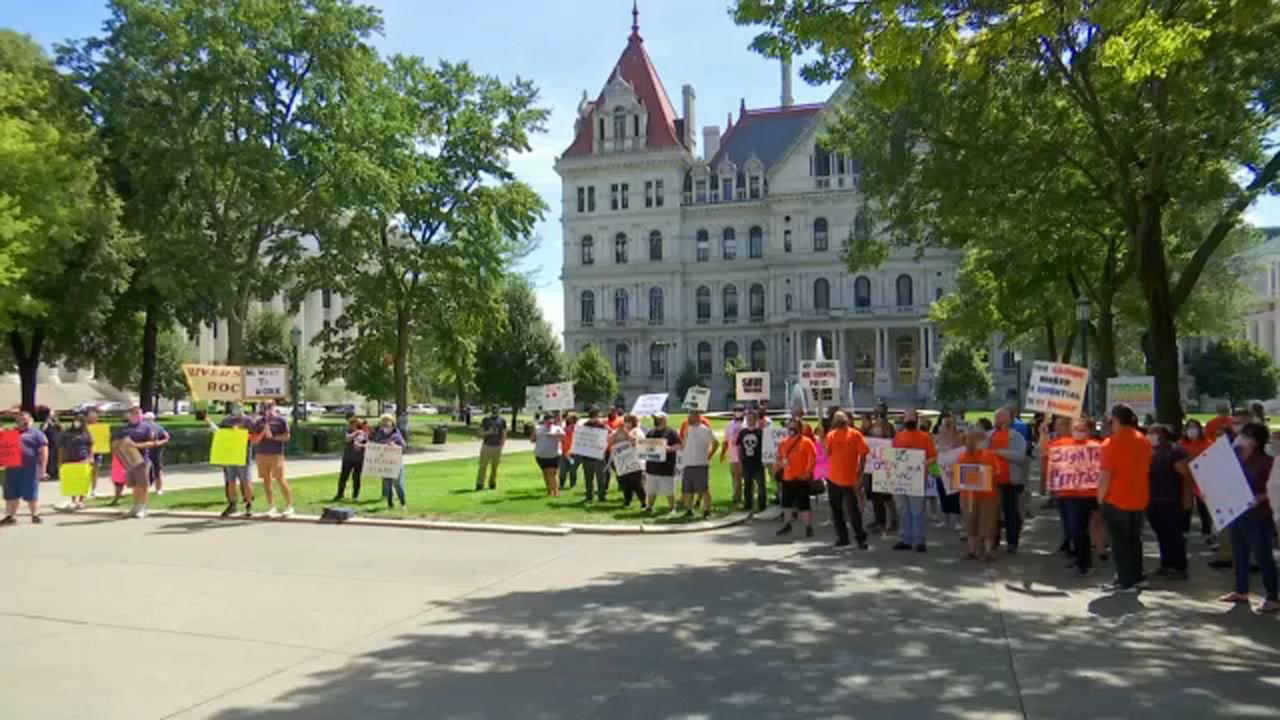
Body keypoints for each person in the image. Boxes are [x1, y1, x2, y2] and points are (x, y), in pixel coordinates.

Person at [1218, 422, 1278, 613]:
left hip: (1259, 517)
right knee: (1239, 554)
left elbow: (1274, 489)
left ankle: (1273, 597)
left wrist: (1260, 497)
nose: (1241, 438)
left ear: (1255, 441)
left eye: (1246, 436)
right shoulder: (1236, 460)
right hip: (1237, 514)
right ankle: (1241, 592)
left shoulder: (1267, 462)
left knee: (1263, 557)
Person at [1097, 404, 1153, 593]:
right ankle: (1137, 577)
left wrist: (1100, 497)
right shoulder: (1143, 440)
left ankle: (1125, 581)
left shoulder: (1111, 443)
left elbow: (1106, 474)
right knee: (1134, 539)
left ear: (1116, 420)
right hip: (1139, 497)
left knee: (1119, 541)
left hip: (1116, 498)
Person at [1050, 417, 1100, 576]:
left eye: (1082, 429)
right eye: (1076, 429)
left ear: (1088, 431)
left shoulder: (1096, 447)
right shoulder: (1061, 444)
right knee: (1072, 530)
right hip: (1065, 493)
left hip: (1085, 495)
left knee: (1078, 529)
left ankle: (1086, 564)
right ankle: (1080, 560)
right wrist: (1043, 432)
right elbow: (1046, 452)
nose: (1079, 432)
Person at [1146, 424, 1192, 580]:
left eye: (1155, 433)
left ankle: (1179, 566)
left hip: (1172, 500)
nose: (1151, 436)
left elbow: (1186, 476)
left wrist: (1187, 499)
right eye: (1149, 433)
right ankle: (1166, 563)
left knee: (1174, 534)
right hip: (1153, 499)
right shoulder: (1150, 451)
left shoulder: (1175, 451)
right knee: (1161, 534)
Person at [892, 410, 937, 552]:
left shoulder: (925, 437)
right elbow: (892, 457)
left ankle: (919, 540)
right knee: (903, 509)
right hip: (900, 479)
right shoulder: (898, 437)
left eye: (912, 418)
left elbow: (932, 457)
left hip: (917, 479)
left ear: (916, 420)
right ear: (904, 420)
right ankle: (905, 539)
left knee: (917, 510)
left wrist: (922, 463)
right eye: (908, 418)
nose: (910, 420)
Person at [824, 411, 871, 548]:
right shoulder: (831, 435)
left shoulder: (855, 434)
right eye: (837, 419)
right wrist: (822, 445)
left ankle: (860, 537)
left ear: (847, 420)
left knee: (853, 511)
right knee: (836, 510)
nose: (839, 421)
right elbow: (826, 455)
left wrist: (860, 474)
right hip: (833, 478)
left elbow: (863, 454)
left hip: (850, 479)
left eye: (841, 419)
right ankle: (842, 537)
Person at [956, 427, 1001, 560]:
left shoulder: (989, 455)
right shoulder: (963, 456)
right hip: (969, 496)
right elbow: (959, 475)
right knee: (971, 522)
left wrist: (991, 474)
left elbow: (998, 472)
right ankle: (972, 550)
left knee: (987, 523)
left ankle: (987, 551)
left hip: (988, 496)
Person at [989, 408, 1028, 553]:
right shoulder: (989, 436)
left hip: (1010, 480)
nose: (998, 421)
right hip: (991, 480)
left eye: (1001, 418)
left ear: (1009, 420)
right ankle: (993, 539)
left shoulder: (1016, 437)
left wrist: (999, 453)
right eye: (997, 418)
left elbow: (1020, 456)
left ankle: (1012, 542)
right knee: (993, 512)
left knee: (1010, 512)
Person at [2, 411, 49, 525]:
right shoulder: (11, 433)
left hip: (30, 468)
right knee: (11, 493)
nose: (22, 421)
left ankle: (35, 515)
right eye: (20, 419)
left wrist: (43, 469)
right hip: (12, 468)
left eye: (25, 419)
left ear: (30, 421)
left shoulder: (37, 434)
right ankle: (11, 516)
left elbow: (44, 451)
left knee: (31, 492)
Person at [113, 406, 159, 519]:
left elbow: (153, 442)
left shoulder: (147, 427)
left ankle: (143, 507)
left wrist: (137, 446)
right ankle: (136, 506)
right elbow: (116, 441)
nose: (138, 415)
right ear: (129, 415)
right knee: (134, 485)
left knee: (143, 485)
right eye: (135, 413)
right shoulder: (124, 429)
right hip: (129, 461)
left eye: (139, 413)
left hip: (142, 460)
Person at [775, 416, 817, 538]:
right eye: (790, 427)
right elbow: (778, 457)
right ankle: (787, 525)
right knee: (786, 504)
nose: (791, 429)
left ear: (799, 428)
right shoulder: (783, 442)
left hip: (801, 478)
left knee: (804, 504)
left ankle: (808, 527)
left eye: (794, 427)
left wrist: (808, 472)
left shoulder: (806, 442)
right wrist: (780, 464)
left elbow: (813, 458)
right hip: (787, 477)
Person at [252, 401, 294, 518]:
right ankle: (271, 506)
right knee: (266, 480)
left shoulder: (281, 421)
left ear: (274, 407)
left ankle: (289, 506)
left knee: (280, 479)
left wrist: (273, 436)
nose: (267, 410)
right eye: (265, 408)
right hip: (261, 454)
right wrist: (263, 433)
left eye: (269, 407)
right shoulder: (259, 422)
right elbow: (255, 440)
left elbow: (287, 437)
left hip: (276, 454)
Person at [216, 403, 256, 518]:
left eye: (239, 407)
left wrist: (241, 434)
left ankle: (249, 504)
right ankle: (232, 504)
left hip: (243, 455)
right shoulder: (226, 421)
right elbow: (220, 434)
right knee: (231, 481)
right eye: (235, 407)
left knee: (246, 480)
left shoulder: (248, 421)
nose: (237, 409)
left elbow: (254, 436)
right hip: (230, 455)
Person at [1178, 418, 1214, 541]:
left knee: (1203, 506)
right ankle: (1184, 530)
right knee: (1186, 506)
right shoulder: (1181, 444)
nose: (1192, 430)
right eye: (1190, 427)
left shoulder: (1208, 443)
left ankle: (1207, 531)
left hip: (1202, 479)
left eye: (1195, 427)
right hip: (1186, 478)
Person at [680, 407, 719, 519]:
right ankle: (689, 509)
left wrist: (709, 456)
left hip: (700, 464)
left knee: (703, 489)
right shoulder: (688, 429)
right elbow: (684, 444)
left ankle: (707, 510)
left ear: (697, 416)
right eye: (689, 414)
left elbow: (715, 443)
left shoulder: (705, 430)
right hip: (688, 464)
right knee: (687, 490)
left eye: (691, 414)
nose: (689, 417)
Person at [644, 411, 682, 514]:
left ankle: (672, 508)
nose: (656, 420)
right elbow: (645, 446)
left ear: (664, 420)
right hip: (652, 467)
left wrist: (669, 448)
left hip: (666, 467)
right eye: (655, 419)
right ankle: (649, 507)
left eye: (659, 419)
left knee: (669, 490)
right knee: (651, 490)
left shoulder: (671, 432)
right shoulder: (650, 432)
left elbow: (679, 445)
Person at [865, 417, 896, 534]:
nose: (875, 432)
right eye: (874, 430)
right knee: (875, 497)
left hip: (885, 470)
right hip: (873, 470)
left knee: (887, 497)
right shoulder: (871, 439)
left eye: (878, 430)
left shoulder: (888, 438)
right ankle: (879, 520)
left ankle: (891, 520)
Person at [934, 414, 964, 531]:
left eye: (947, 425)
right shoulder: (937, 438)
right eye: (943, 424)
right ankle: (945, 519)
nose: (944, 428)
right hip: (940, 470)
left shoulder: (958, 437)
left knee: (955, 496)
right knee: (942, 494)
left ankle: (958, 520)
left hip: (953, 471)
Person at [370, 413, 407, 509]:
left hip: (396, 463)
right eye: (383, 424)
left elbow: (403, 446)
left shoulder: (397, 434)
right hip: (385, 464)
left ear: (392, 423)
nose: (385, 426)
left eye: (387, 423)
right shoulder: (379, 434)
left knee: (398, 484)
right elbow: (374, 445)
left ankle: (403, 503)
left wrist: (394, 446)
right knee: (387, 484)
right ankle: (390, 504)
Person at [58, 413, 94, 510]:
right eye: (75, 420)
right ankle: (73, 500)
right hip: (69, 460)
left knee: (82, 481)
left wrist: (90, 458)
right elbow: (61, 447)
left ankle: (81, 500)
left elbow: (90, 446)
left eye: (79, 420)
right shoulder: (67, 433)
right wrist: (60, 460)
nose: (76, 422)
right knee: (72, 481)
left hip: (83, 459)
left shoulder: (86, 433)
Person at [610, 414, 646, 508]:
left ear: (633, 422)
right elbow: (610, 440)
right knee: (625, 483)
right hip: (623, 462)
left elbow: (636, 442)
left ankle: (643, 501)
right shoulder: (619, 431)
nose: (626, 423)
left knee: (636, 483)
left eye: (629, 421)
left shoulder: (637, 431)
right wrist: (618, 432)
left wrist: (626, 433)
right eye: (625, 421)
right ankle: (627, 501)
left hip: (635, 461)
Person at [736, 409, 768, 513]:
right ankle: (748, 504)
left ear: (756, 419)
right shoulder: (743, 432)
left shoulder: (760, 432)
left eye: (752, 418)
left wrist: (766, 460)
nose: (750, 420)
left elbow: (766, 447)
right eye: (748, 418)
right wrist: (740, 460)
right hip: (746, 462)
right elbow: (739, 447)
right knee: (747, 485)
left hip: (758, 462)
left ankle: (762, 505)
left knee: (761, 485)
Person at [576, 407, 609, 503]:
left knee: (589, 478)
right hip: (597, 455)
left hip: (587, 456)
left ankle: (589, 496)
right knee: (600, 478)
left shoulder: (584, 426)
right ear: (596, 414)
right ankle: (601, 496)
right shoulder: (601, 426)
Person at [334, 415, 367, 502]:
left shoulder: (364, 433)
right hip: (348, 458)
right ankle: (340, 494)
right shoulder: (348, 432)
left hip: (359, 459)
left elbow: (368, 444)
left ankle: (355, 495)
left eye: (354, 424)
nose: (352, 426)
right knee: (343, 477)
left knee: (356, 478)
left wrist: (362, 446)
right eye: (351, 424)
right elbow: (347, 439)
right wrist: (356, 433)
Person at [532, 412, 565, 497]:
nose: (549, 422)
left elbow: (563, 439)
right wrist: (534, 433)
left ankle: (556, 491)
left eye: (551, 420)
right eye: (547, 420)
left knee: (552, 473)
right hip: (541, 455)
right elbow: (532, 440)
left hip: (554, 455)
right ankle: (549, 490)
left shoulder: (557, 428)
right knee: (546, 473)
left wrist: (556, 435)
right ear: (544, 421)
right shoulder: (538, 429)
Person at [721, 405, 747, 505]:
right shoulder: (730, 425)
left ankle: (747, 496)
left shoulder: (746, 424)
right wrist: (723, 453)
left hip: (744, 456)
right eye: (736, 410)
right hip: (733, 455)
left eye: (740, 410)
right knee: (735, 478)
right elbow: (726, 441)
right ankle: (736, 496)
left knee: (746, 477)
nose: (738, 412)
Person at [476, 406, 507, 491]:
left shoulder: (502, 421)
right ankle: (480, 483)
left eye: (496, 410)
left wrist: (501, 446)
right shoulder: (486, 420)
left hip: (497, 447)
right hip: (487, 446)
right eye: (493, 410)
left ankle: (492, 482)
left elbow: (504, 434)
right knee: (483, 466)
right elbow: (480, 433)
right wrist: (489, 432)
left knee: (494, 467)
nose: (495, 412)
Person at [143, 411, 171, 495]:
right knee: (157, 471)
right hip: (155, 452)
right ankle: (158, 490)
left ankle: (146, 489)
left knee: (148, 471)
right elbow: (167, 437)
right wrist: (161, 443)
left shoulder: (143, 428)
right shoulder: (159, 427)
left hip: (148, 452)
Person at [558, 412, 578, 490]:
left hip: (573, 453)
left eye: (570, 418)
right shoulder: (564, 428)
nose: (569, 419)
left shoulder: (578, 429)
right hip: (564, 453)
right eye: (568, 418)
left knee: (573, 469)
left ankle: (572, 485)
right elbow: (561, 439)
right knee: (562, 469)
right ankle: (561, 484)